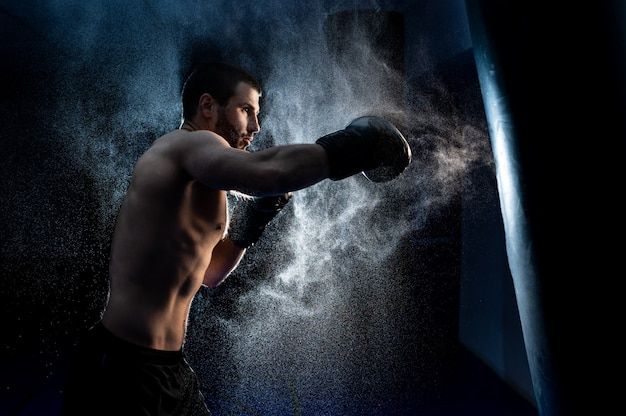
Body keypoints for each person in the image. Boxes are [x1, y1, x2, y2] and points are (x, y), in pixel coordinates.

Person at [60, 62, 410, 415]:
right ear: (208, 106)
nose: (256, 127)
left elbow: (210, 273)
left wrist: (252, 225)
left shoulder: (203, 181)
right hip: (120, 370)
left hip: (169, 368)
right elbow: (269, 172)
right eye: (246, 111)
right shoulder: (182, 146)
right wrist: (356, 146)